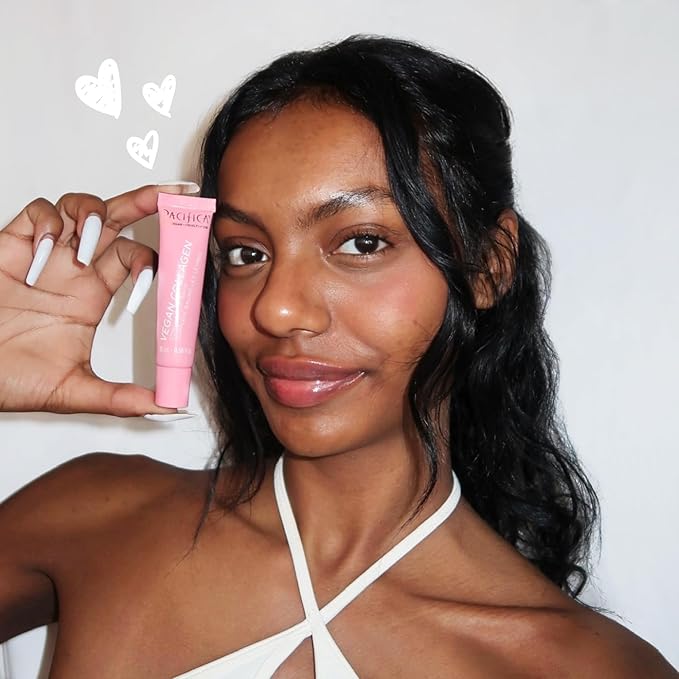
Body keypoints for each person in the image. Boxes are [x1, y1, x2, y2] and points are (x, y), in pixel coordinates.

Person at [0, 35, 675, 678]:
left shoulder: (587, 667)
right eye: (246, 253)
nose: (276, 309)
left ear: (488, 265)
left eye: (360, 243)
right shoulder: (97, 520)